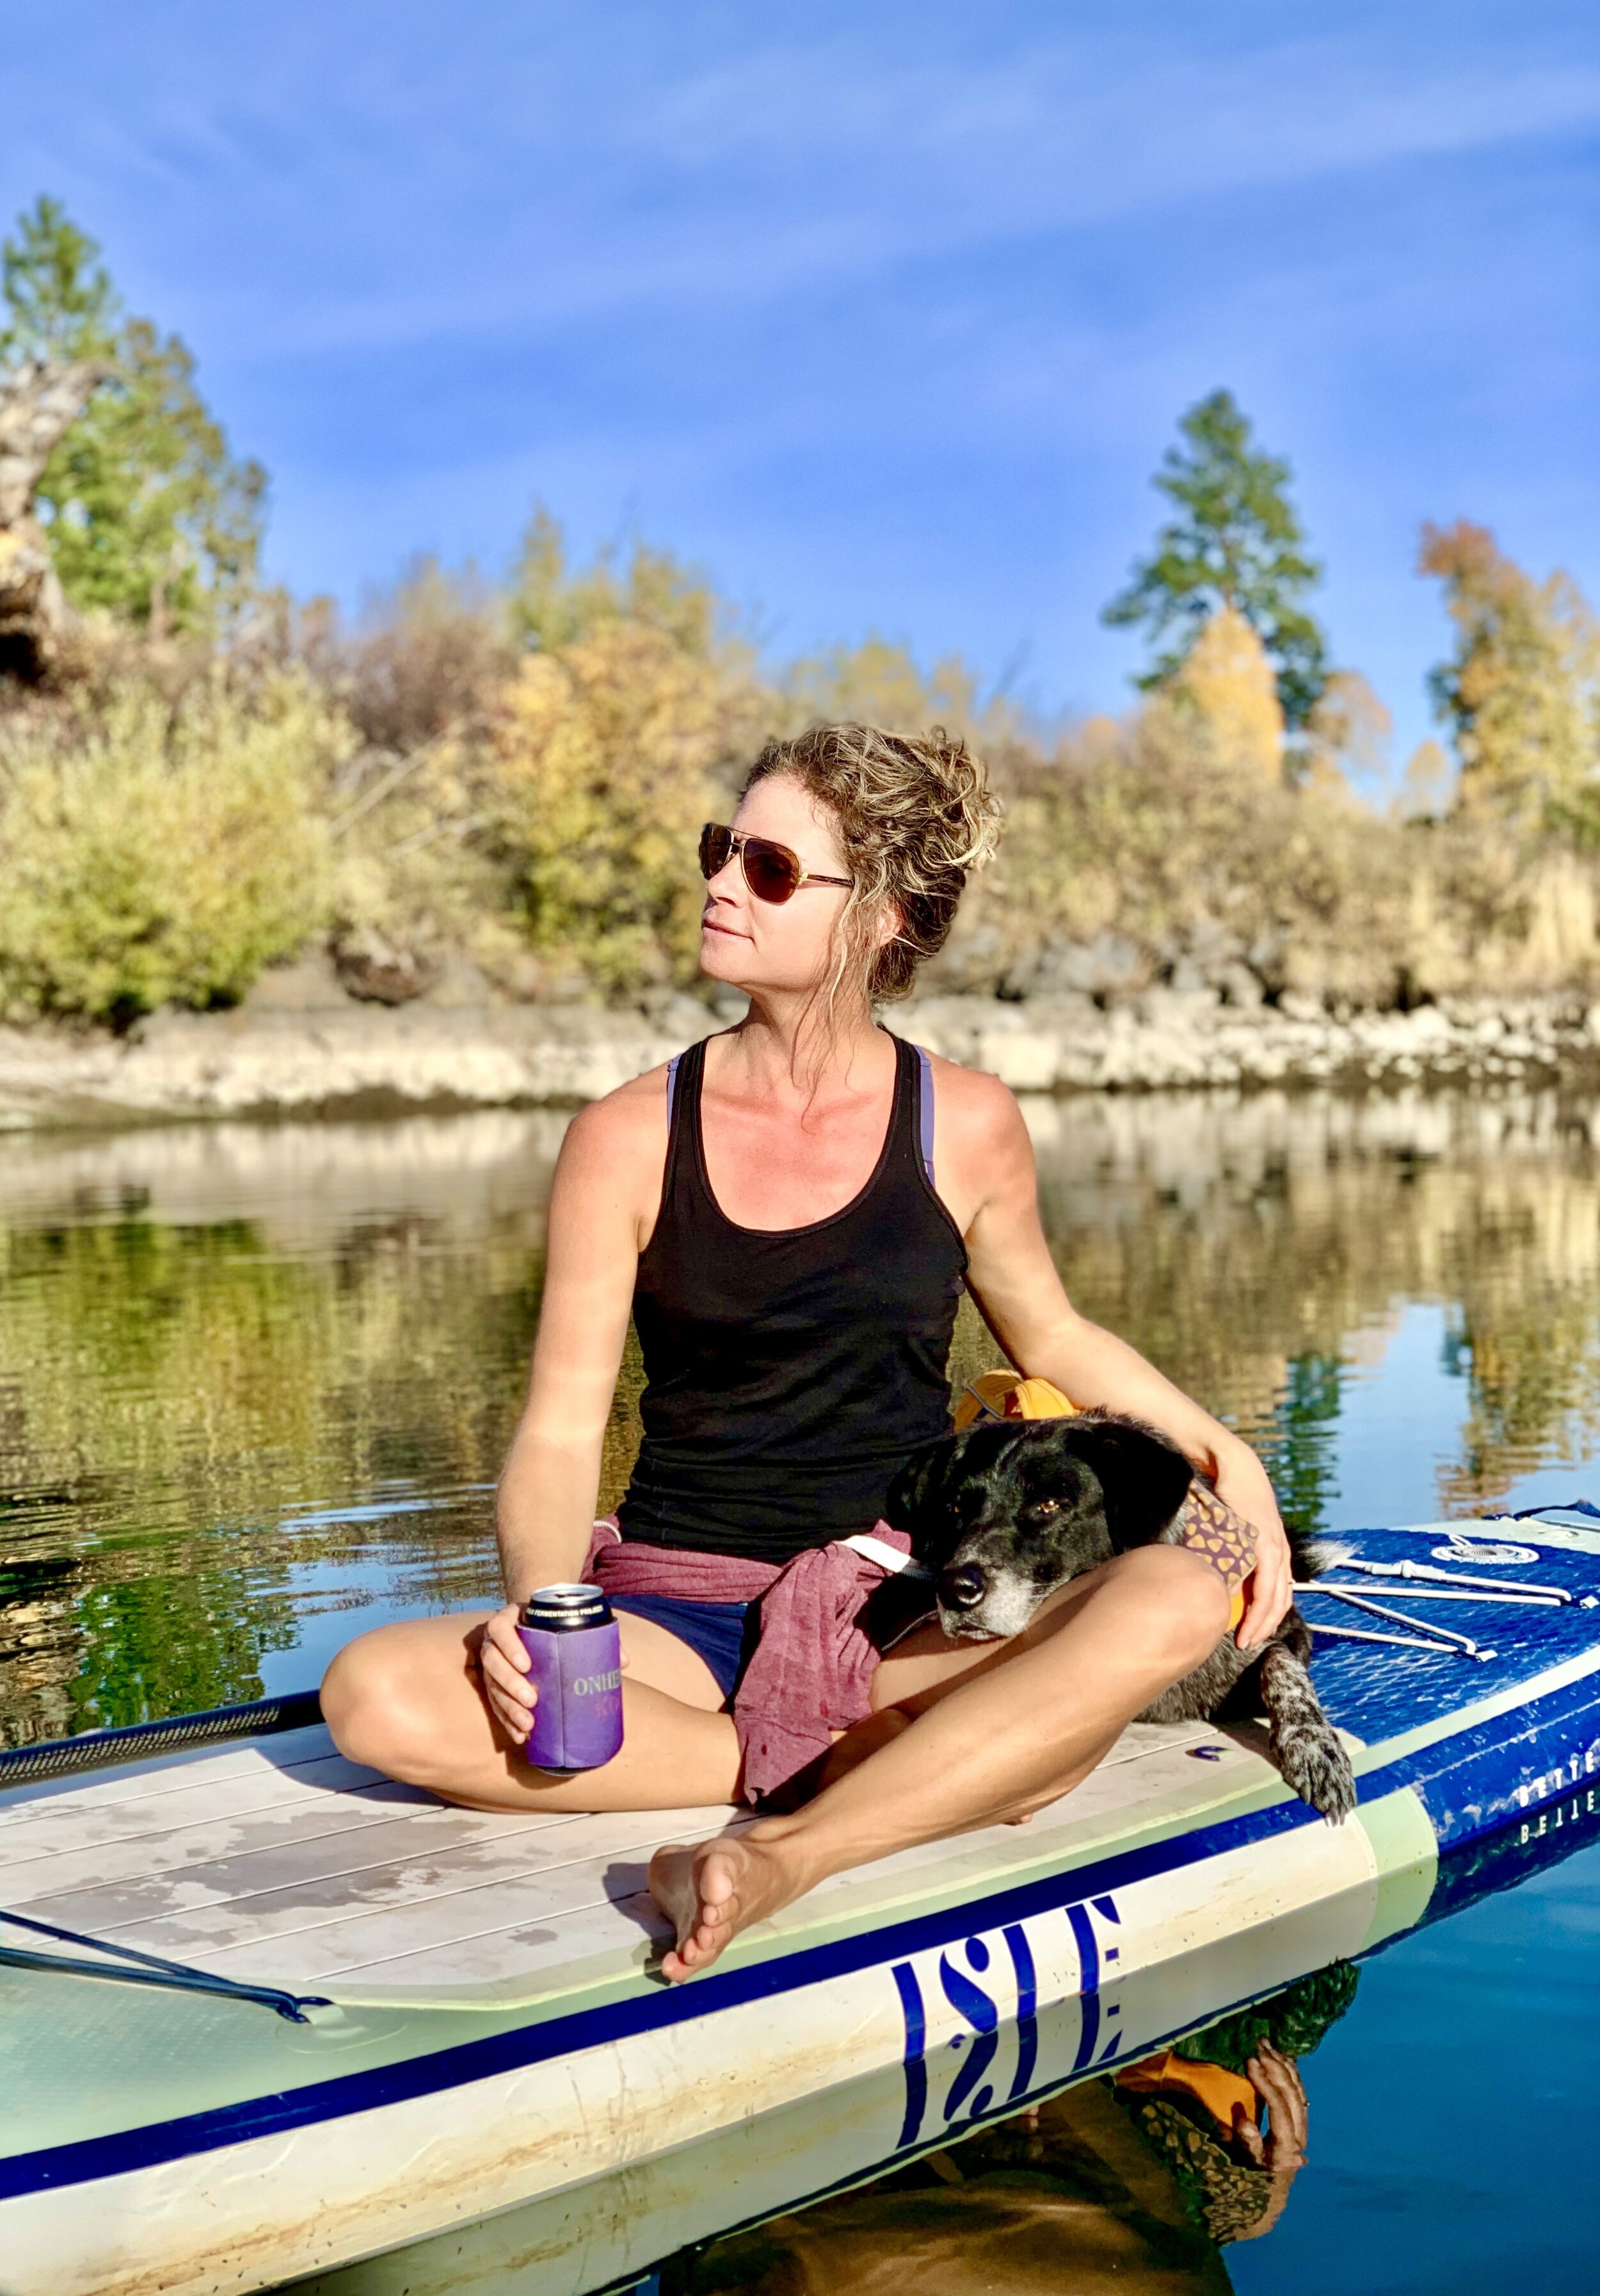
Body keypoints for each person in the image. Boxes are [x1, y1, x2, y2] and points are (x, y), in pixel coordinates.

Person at [322, 724, 1292, 1982]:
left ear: (879, 914)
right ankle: (862, 1759)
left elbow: (1048, 1330)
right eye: (722, 848)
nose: (723, 882)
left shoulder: (965, 1122)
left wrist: (1227, 1461)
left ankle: (793, 1851)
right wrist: (540, 1617)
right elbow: (560, 1430)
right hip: (677, 1606)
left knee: (1165, 1597)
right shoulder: (623, 1136)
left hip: (897, 1601)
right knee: (373, 1695)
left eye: (769, 867)